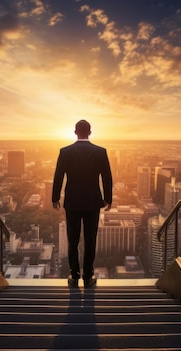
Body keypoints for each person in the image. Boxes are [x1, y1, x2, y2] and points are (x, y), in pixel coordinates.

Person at [52, 119, 113, 288]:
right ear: (90, 132)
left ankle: (73, 275)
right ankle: (88, 277)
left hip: (72, 202)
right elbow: (107, 178)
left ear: (75, 132)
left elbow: (58, 176)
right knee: (90, 240)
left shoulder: (65, 152)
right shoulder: (101, 152)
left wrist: (55, 197)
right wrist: (108, 198)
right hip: (93, 203)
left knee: (72, 240)